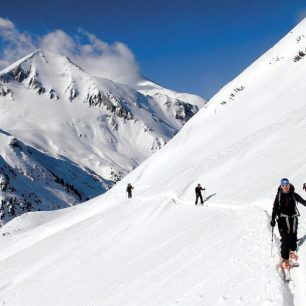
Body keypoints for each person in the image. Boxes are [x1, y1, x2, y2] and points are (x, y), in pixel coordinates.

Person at [270, 178, 306, 271]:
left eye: (287, 185)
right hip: (282, 220)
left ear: (289, 185)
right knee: (285, 239)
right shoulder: (279, 196)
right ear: (281, 186)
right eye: (283, 185)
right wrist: (273, 219)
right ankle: (285, 259)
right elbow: (274, 209)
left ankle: (293, 252)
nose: (285, 187)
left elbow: (304, 202)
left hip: (293, 219)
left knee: (293, 237)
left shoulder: (294, 195)